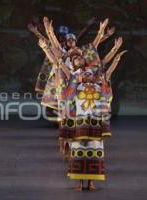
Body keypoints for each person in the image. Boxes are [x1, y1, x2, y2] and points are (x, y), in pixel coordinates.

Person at [39, 17, 126, 191]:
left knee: (95, 151)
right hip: (74, 112)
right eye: (75, 57)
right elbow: (56, 59)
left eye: (80, 57)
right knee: (76, 146)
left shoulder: (90, 75)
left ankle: (91, 181)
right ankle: (78, 178)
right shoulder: (72, 76)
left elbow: (104, 68)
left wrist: (113, 50)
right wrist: (47, 37)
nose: (78, 58)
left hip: (92, 119)